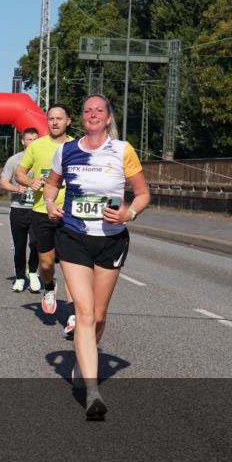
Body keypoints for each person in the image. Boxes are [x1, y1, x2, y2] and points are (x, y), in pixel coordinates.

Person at [45, 94, 150, 420]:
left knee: (100, 316)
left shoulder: (123, 151)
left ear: (107, 119)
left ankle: (82, 357)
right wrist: (51, 204)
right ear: (82, 118)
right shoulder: (66, 150)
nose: (93, 114)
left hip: (111, 242)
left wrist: (128, 213)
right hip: (73, 237)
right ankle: (93, 392)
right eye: (87, 110)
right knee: (85, 313)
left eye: (99, 111)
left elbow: (143, 193)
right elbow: (51, 186)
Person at [15, 104, 75, 325]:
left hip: (70, 214)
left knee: (72, 265)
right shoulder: (37, 146)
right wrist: (31, 182)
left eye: (59, 118)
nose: (55, 122)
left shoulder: (76, 146)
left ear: (68, 121)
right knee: (46, 263)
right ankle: (49, 286)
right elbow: (19, 172)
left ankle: (73, 314)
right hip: (42, 212)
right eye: (51, 118)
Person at [0, 128, 41, 292]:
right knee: (19, 246)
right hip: (18, 208)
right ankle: (19, 277)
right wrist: (17, 189)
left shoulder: (44, 159)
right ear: (23, 141)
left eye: (35, 139)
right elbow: (3, 182)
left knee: (36, 243)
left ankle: (33, 272)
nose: (32, 142)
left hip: (37, 209)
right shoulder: (14, 160)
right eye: (29, 139)